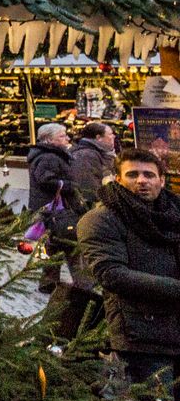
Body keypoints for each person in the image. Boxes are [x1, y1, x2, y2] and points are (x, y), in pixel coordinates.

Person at [77, 147, 180, 401]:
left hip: (175, 331)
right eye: (133, 174)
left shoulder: (172, 212)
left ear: (161, 179)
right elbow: (112, 274)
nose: (142, 181)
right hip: (139, 336)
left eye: (149, 174)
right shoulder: (102, 219)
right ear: (118, 178)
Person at [46, 122, 115, 336]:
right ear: (98, 137)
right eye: (110, 134)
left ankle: (56, 283)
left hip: (75, 216)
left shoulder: (94, 153)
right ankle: (85, 303)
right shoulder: (86, 156)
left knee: (67, 253)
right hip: (80, 216)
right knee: (77, 258)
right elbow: (86, 188)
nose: (114, 138)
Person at [27, 122, 75, 215]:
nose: (67, 139)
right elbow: (46, 180)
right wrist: (70, 185)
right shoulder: (48, 157)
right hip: (51, 208)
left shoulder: (52, 154)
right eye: (62, 136)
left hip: (48, 206)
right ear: (49, 139)